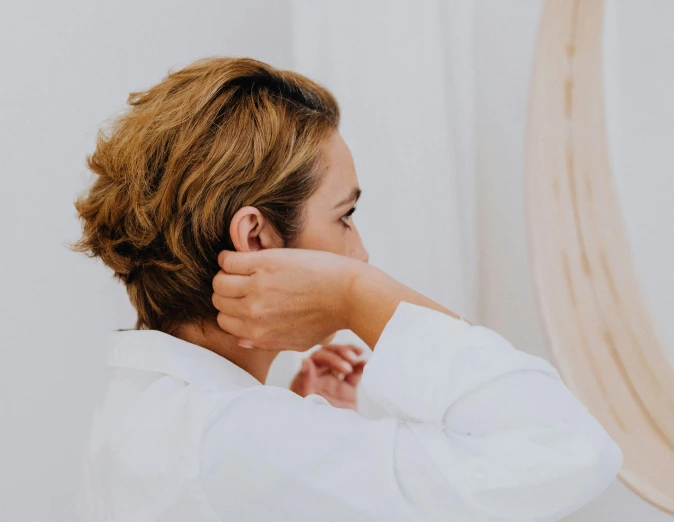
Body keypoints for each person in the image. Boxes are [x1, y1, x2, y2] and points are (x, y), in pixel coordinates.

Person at [75, 57, 622, 522]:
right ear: (257, 238)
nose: (360, 252)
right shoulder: (235, 441)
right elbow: (569, 447)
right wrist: (360, 296)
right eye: (345, 215)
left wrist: (296, 420)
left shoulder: (147, 414)